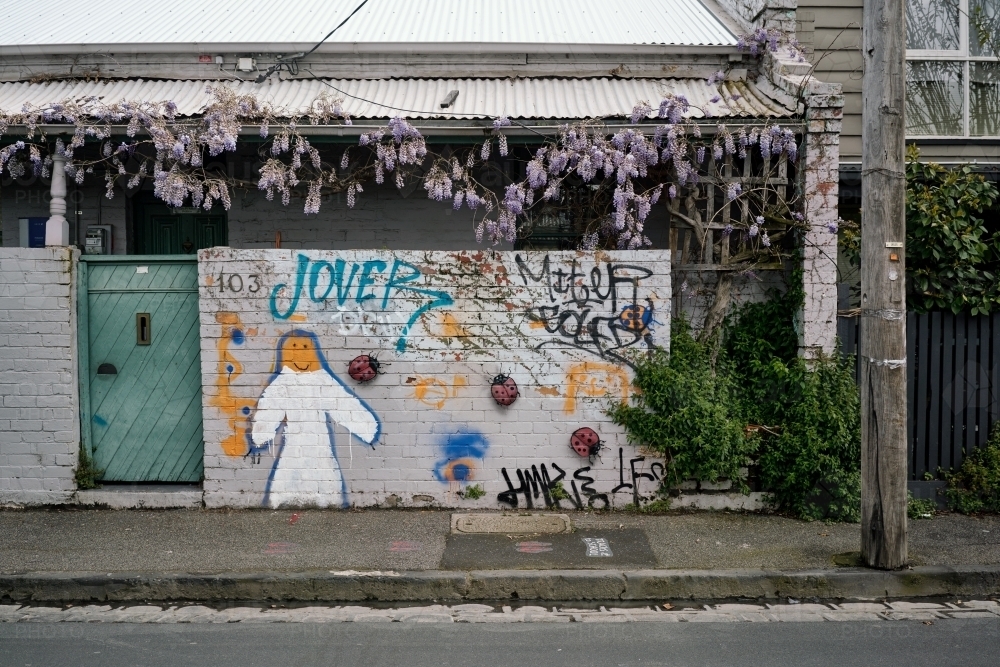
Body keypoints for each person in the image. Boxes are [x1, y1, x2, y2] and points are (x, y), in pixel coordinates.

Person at [250, 330, 380, 508]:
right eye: (294, 347)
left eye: (305, 347)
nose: (300, 353)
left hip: (320, 445)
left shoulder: (322, 380)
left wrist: (366, 427)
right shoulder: (282, 382)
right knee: (289, 474)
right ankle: (284, 499)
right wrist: (261, 434)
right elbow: (269, 408)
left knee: (324, 472)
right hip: (294, 444)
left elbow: (343, 404)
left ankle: (327, 500)